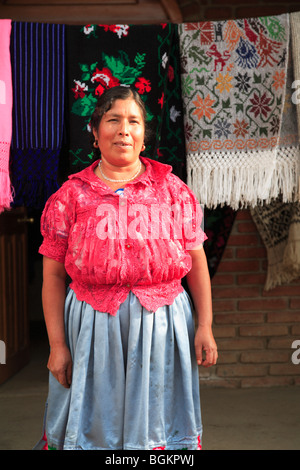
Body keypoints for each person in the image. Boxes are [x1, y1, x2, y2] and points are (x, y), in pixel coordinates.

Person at [37, 85, 218, 450]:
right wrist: (57, 345)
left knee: (157, 422)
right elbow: (54, 276)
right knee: (96, 424)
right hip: (93, 326)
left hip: (163, 325)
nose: (124, 130)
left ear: (144, 135)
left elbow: (196, 262)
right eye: (113, 120)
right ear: (94, 132)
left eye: (134, 121)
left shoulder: (172, 191)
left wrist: (206, 326)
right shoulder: (70, 197)